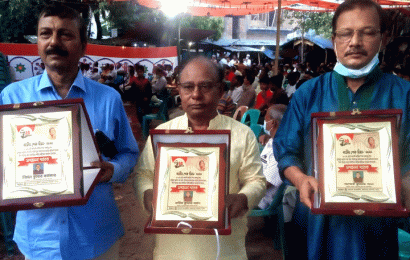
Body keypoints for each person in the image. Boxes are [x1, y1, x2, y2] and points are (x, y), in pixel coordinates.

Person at [0, 3, 139, 259]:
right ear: (38, 43)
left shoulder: (108, 99)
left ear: (83, 46)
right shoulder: (11, 98)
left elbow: (129, 153)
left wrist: (113, 171)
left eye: (65, 34)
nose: (54, 42)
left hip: (98, 240)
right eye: (46, 34)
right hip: (39, 243)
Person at [273, 0, 410, 259]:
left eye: (367, 32)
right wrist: (301, 179)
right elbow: (286, 152)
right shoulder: (308, 94)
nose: (355, 41)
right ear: (334, 39)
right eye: (346, 33)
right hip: (317, 226)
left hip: (377, 229)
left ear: (383, 38)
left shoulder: (404, 95)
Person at [134, 56, 266, 260]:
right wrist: (146, 193)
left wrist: (243, 198)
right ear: (179, 90)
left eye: (205, 86)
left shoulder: (242, 134)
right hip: (172, 249)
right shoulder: (163, 134)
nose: (196, 95)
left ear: (221, 90)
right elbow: (143, 174)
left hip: (224, 250)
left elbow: (256, 180)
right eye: (188, 87)